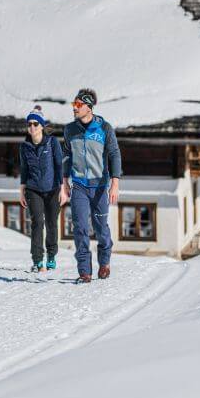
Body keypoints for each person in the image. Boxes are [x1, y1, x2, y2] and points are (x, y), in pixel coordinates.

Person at [61, 88, 121, 284]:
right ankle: (84, 271)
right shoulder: (70, 130)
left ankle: (104, 262)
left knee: (101, 227)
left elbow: (114, 155)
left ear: (89, 107)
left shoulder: (105, 128)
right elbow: (67, 157)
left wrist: (115, 183)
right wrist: (64, 182)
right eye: (73, 105)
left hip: (100, 186)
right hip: (79, 185)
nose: (75, 109)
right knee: (80, 227)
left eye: (78, 105)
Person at [18, 105, 64, 272]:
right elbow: (23, 170)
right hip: (33, 190)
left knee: (52, 223)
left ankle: (51, 255)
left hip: (53, 189)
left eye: (35, 124)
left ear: (42, 126)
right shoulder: (24, 147)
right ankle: (38, 260)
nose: (32, 127)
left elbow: (59, 166)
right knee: (37, 222)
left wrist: (63, 189)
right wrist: (21, 190)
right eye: (29, 124)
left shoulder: (52, 143)